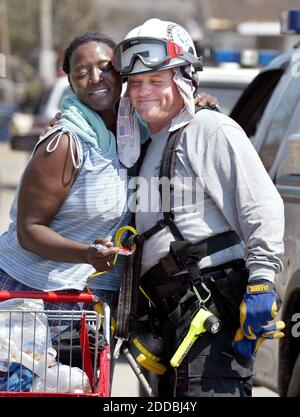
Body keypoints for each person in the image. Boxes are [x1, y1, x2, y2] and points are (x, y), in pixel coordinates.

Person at [113, 18, 285, 397]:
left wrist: (261, 281)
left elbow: (262, 207)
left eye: (156, 81)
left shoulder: (209, 130)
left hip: (210, 318)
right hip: (169, 319)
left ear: (184, 79)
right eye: (136, 83)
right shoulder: (150, 140)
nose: (143, 93)